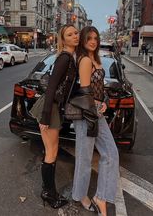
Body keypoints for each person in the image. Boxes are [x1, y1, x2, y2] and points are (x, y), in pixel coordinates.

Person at [72, 26, 119, 215]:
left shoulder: (95, 59)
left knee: (111, 153)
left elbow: (99, 87)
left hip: (96, 113)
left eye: (95, 38)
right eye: (89, 38)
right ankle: (80, 195)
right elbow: (85, 91)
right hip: (86, 114)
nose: (93, 41)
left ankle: (101, 197)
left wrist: (104, 102)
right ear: (83, 40)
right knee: (84, 158)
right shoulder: (84, 60)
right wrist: (96, 107)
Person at [39, 24, 79, 209]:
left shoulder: (71, 57)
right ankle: (49, 193)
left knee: (51, 151)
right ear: (63, 40)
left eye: (76, 33)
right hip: (50, 108)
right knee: (51, 152)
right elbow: (52, 87)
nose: (75, 36)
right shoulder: (64, 58)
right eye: (69, 35)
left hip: (54, 108)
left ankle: (48, 190)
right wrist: (46, 116)